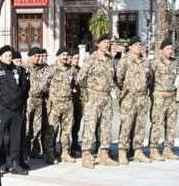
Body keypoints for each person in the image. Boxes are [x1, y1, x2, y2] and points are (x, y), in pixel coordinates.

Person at [0, 45, 26, 174]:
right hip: (1, 110)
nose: (9, 58)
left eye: (10, 55)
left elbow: (23, 87)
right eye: (6, 55)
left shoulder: (17, 70)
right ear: (0, 57)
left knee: (16, 138)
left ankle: (15, 163)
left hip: (16, 110)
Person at [78, 37, 119, 168]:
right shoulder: (91, 59)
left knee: (106, 126)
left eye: (108, 43)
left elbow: (113, 76)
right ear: (98, 44)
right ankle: (86, 154)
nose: (107, 45)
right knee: (90, 126)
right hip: (94, 97)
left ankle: (104, 154)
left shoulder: (109, 59)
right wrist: (88, 92)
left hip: (106, 97)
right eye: (104, 42)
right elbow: (80, 78)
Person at [116, 38, 151, 164]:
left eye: (140, 45)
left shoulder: (145, 61)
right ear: (130, 47)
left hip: (142, 98)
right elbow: (118, 78)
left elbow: (149, 77)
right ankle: (122, 151)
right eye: (136, 45)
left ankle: (138, 150)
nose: (139, 47)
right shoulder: (124, 61)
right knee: (127, 125)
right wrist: (123, 92)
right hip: (129, 97)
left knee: (140, 125)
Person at [148, 38, 179, 161]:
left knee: (171, 124)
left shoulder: (174, 62)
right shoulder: (154, 63)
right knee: (157, 123)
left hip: (171, 97)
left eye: (171, 48)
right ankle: (154, 149)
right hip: (159, 96)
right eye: (167, 48)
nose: (170, 51)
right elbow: (150, 80)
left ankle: (168, 148)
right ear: (161, 50)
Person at [46, 48, 77, 162]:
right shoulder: (52, 69)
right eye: (63, 54)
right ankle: (50, 154)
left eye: (67, 55)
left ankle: (65, 153)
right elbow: (44, 85)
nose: (65, 57)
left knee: (66, 131)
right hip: (55, 105)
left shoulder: (71, 70)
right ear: (58, 56)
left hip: (68, 105)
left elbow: (74, 84)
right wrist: (52, 95)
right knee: (52, 130)